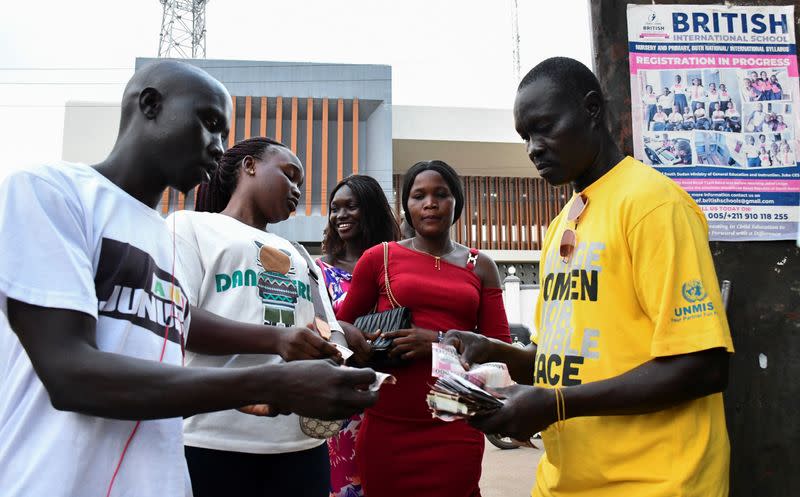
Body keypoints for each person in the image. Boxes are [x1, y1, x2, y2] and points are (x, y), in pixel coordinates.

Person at [0, 61, 378, 497]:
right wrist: (270, 375)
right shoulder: (52, 192)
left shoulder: (156, 234)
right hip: (54, 479)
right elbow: (69, 372)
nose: (219, 147)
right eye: (210, 123)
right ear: (150, 104)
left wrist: (337, 345)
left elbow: (181, 326)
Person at [446, 57, 733, 497]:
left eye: (544, 127)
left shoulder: (655, 206)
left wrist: (556, 404)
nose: (533, 148)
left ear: (592, 109)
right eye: (525, 136)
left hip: (653, 484)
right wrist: (496, 353)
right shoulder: (562, 223)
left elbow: (703, 365)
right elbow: (557, 357)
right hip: (566, 482)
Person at [167, 136, 354, 497]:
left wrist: (342, 365)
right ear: (249, 166)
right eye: (289, 174)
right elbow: (174, 317)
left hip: (300, 447)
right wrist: (276, 339)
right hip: (213, 438)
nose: (297, 189)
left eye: (300, 182)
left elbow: (325, 328)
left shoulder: (298, 252)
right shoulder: (190, 227)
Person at [338, 160, 512, 497]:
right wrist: (356, 338)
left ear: (456, 202)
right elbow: (339, 323)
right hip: (388, 425)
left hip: (456, 422)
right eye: (418, 196)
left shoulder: (481, 266)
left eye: (440, 194)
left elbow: (498, 351)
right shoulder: (380, 257)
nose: (429, 203)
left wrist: (438, 341)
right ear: (406, 205)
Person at [317, 175, 401, 497]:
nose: (341, 215)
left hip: (394, 394)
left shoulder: (397, 263)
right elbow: (316, 328)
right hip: (345, 399)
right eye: (334, 209)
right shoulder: (319, 271)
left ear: (371, 210)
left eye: (351, 206)